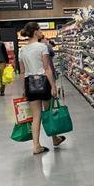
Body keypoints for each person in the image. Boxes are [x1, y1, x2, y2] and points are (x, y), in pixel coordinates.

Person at [18, 22, 65, 155]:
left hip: (29, 83)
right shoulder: (42, 47)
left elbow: (22, 71)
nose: (41, 32)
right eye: (39, 30)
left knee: (36, 115)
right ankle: (54, 138)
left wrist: (23, 89)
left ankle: (36, 145)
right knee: (48, 112)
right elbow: (47, 69)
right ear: (35, 32)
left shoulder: (22, 50)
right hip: (43, 81)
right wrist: (53, 86)